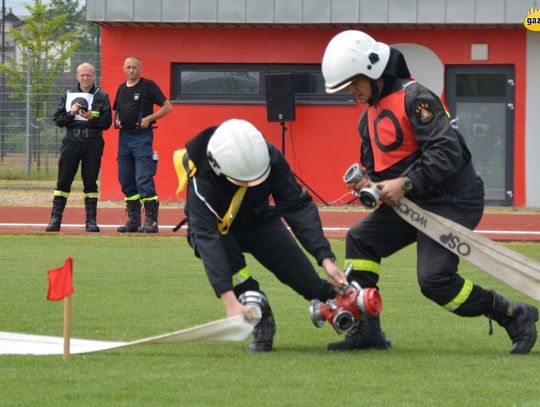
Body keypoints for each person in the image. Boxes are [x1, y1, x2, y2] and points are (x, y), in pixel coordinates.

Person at [321, 30, 538, 354]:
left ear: (372, 71)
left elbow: (447, 153)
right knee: (361, 239)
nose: (350, 91)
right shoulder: (365, 121)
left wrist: (404, 183)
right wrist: (369, 184)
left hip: (454, 200)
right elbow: (381, 173)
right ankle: (367, 331)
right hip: (413, 204)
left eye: (353, 82)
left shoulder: (416, 98)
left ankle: (511, 313)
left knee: (434, 281)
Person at [173, 118, 346, 352]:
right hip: (217, 231)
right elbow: (206, 238)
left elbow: (296, 205)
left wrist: (325, 258)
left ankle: (353, 316)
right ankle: (259, 314)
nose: (251, 184)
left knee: (309, 282)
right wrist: (230, 301)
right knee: (241, 280)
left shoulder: (267, 155)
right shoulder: (201, 180)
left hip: (259, 220)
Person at [46, 62, 112, 232]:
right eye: (82, 75)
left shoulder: (102, 97)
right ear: (77, 76)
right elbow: (58, 121)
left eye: (88, 75)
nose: (85, 78)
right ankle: (55, 219)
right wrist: (71, 113)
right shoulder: (68, 96)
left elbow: (106, 124)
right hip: (71, 143)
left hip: (93, 143)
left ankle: (91, 221)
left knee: (90, 182)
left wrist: (91, 118)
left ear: (94, 76)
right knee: (64, 180)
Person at [113, 56, 172, 233]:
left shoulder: (148, 86)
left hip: (142, 137)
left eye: (135, 67)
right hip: (124, 138)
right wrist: (116, 121)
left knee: (143, 178)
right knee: (126, 179)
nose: (131, 70)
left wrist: (149, 118)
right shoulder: (121, 88)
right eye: (129, 67)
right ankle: (133, 220)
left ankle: (151, 221)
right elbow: (117, 112)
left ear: (140, 69)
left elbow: (167, 107)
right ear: (124, 69)